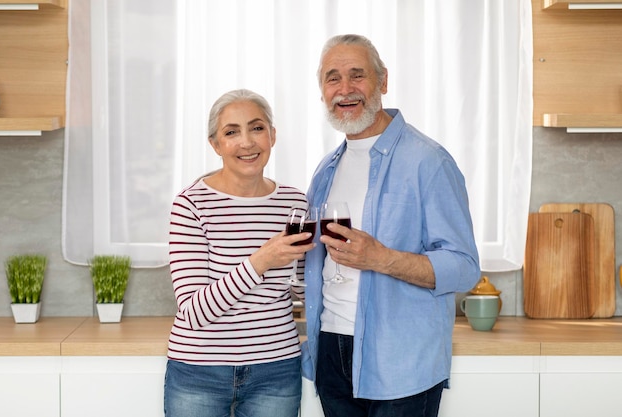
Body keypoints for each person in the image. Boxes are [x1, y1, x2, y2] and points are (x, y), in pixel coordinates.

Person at [301, 34, 481, 417]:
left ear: (383, 82)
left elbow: (464, 267)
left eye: (357, 75)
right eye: (333, 78)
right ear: (321, 92)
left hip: (401, 361)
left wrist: (381, 258)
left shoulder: (428, 161)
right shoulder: (325, 171)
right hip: (332, 352)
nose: (345, 89)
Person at [164, 89, 313, 417]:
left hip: (276, 367)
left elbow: (300, 290)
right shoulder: (191, 205)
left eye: (257, 128)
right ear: (215, 144)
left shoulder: (295, 203)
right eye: (231, 132)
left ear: (272, 136)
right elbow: (194, 312)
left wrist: (329, 260)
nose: (247, 142)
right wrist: (262, 260)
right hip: (199, 369)